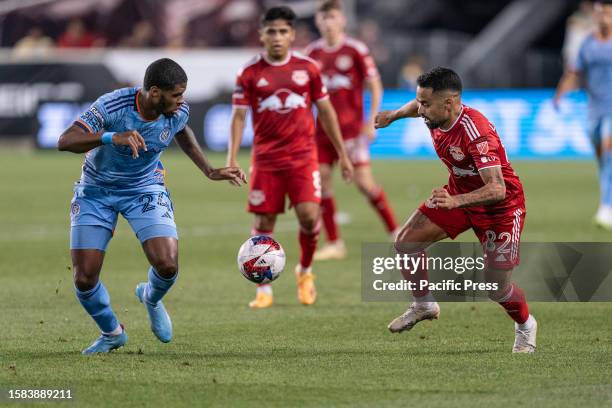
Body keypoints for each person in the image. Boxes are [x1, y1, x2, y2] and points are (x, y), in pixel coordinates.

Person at [57, 58, 246, 354]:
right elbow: (65, 140)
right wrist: (110, 137)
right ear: (155, 92)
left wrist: (209, 170)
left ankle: (151, 297)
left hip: (144, 188)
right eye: (177, 94)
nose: (182, 101)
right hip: (96, 190)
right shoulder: (112, 106)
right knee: (84, 278)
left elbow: (183, 131)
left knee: (167, 264)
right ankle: (112, 332)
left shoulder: (176, 111)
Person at [375, 67, 537, 353]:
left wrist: (454, 202)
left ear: (448, 103)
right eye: (420, 103)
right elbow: (415, 106)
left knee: (496, 288)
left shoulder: (476, 132)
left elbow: (497, 189)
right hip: (460, 193)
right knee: (406, 243)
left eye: (426, 104)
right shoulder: (434, 113)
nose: (421, 110)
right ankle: (423, 304)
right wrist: (393, 116)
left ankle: (525, 326)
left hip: (501, 208)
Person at [227, 6, 353, 309]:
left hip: (303, 157)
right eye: (271, 31)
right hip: (267, 160)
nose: (278, 37)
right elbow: (239, 117)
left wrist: (343, 154)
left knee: (310, 218)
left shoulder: (308, 69)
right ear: (261, 35)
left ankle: (305, 272)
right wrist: (232, 158)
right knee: (264, 221)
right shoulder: (249, 72)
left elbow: (326, 112)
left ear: (292, 35)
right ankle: (264, 289)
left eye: (283, 31)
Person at [305, 0, 398, 261]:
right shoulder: (312, 53)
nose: (327, 22)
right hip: (322, 133)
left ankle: (396, 231)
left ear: (342, 20)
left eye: (332, 17)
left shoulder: (355, 49)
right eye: (323, 18)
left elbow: (375, 85)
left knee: (364, 183)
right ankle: (335, 243)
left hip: (350, 131)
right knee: (322, 181)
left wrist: (371, 121)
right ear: (317, 21)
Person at [555, 0, 612, 228]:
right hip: (594, 108)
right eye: (602, 13)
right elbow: (574, 71)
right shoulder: (588, 43)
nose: (604, 17)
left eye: (608, 13)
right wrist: (560, 94)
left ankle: (606, 207)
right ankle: (607, 190)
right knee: (601, 156)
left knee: (610, 152)